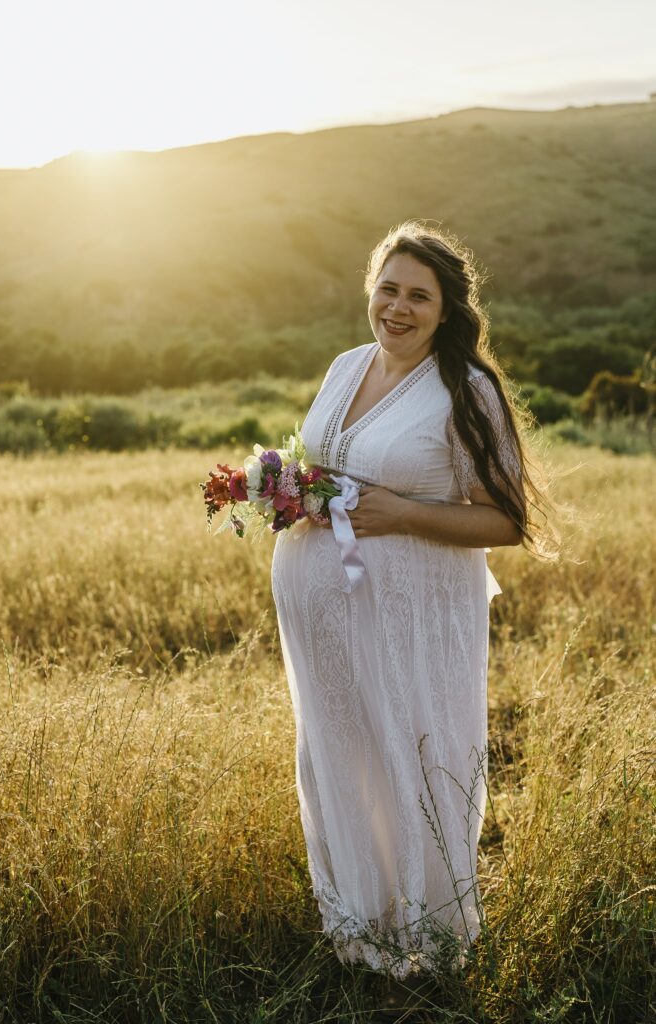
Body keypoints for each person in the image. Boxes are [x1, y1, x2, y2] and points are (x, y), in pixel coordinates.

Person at [270, 220, 547, 1014]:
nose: (397, 307)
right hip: (322, 623)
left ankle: (427, 937)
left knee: (413, 753)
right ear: (370, 291)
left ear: (446, 309)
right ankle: (356, 923)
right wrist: (289, 492)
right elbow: (323, 467)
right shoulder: (344, 367)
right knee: (340, 758)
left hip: (415, 619)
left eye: (417, 295)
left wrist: (402, 513)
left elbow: (506, 520)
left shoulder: (468, 390)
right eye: (387, 289)